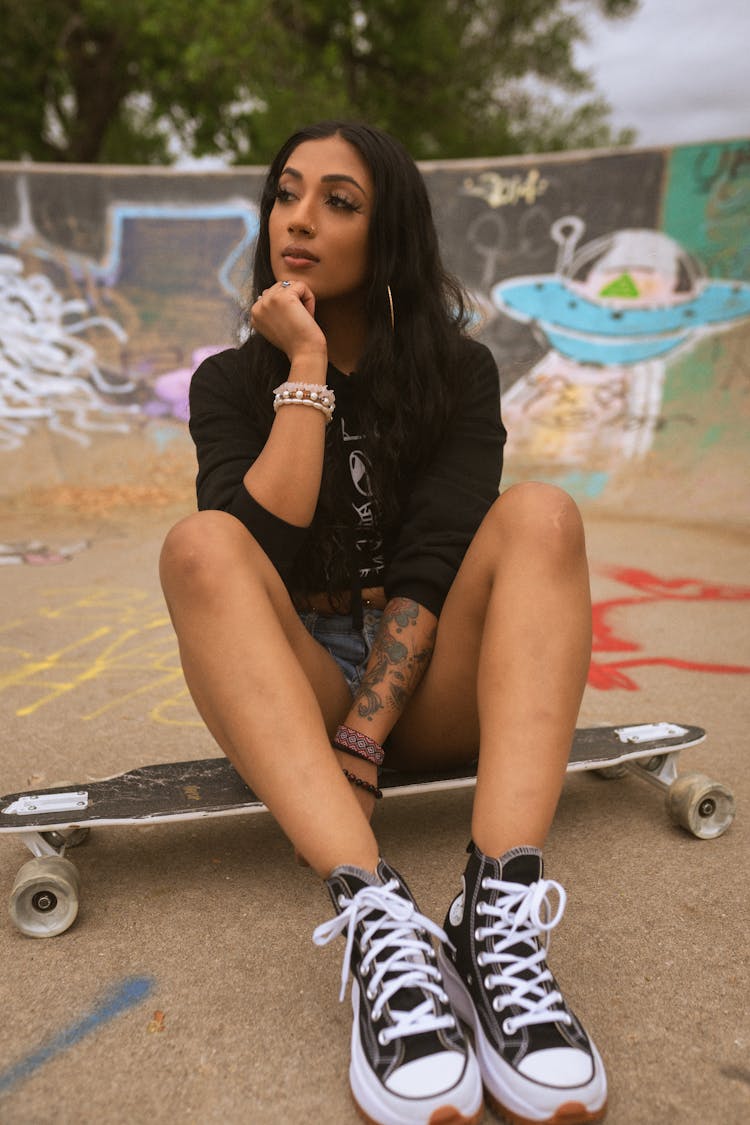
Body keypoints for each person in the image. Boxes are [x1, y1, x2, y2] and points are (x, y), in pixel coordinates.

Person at [159, 120, 608, 1125]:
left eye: (339, 201)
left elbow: (436, 558)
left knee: (541, 514)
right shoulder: (231, 384)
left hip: (432, 680)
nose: (301, 219)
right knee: (199, 546)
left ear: (388, 230)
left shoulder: (459, 372)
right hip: (300, 684)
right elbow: (249, 562)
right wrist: (306, 366)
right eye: (285, 193)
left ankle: (496, 917)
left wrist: (369, 731)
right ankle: (377, 916)